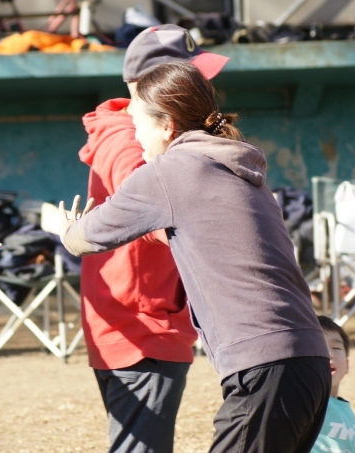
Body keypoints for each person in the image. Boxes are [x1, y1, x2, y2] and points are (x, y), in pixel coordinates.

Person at [59, 61, 331, 453]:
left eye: (138, 124)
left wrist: (69, 228)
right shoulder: (239, 165)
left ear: (167, 125)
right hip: (310, 359)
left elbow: (87, 238)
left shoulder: (169, 171)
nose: (135, 134)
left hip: (263, 365)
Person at [77, 25, 229, 453]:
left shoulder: (138, 132)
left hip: (143, 322)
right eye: (192, 78)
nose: (203, 89)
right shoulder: (129, 140)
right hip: (142, 326)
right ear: (156, 84)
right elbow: (150, 209)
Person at [312, 316, 355, 453]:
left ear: (347, 365)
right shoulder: (302, 404)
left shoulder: (347, 412)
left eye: (336, 347)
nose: (329, 354)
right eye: (317, 347)